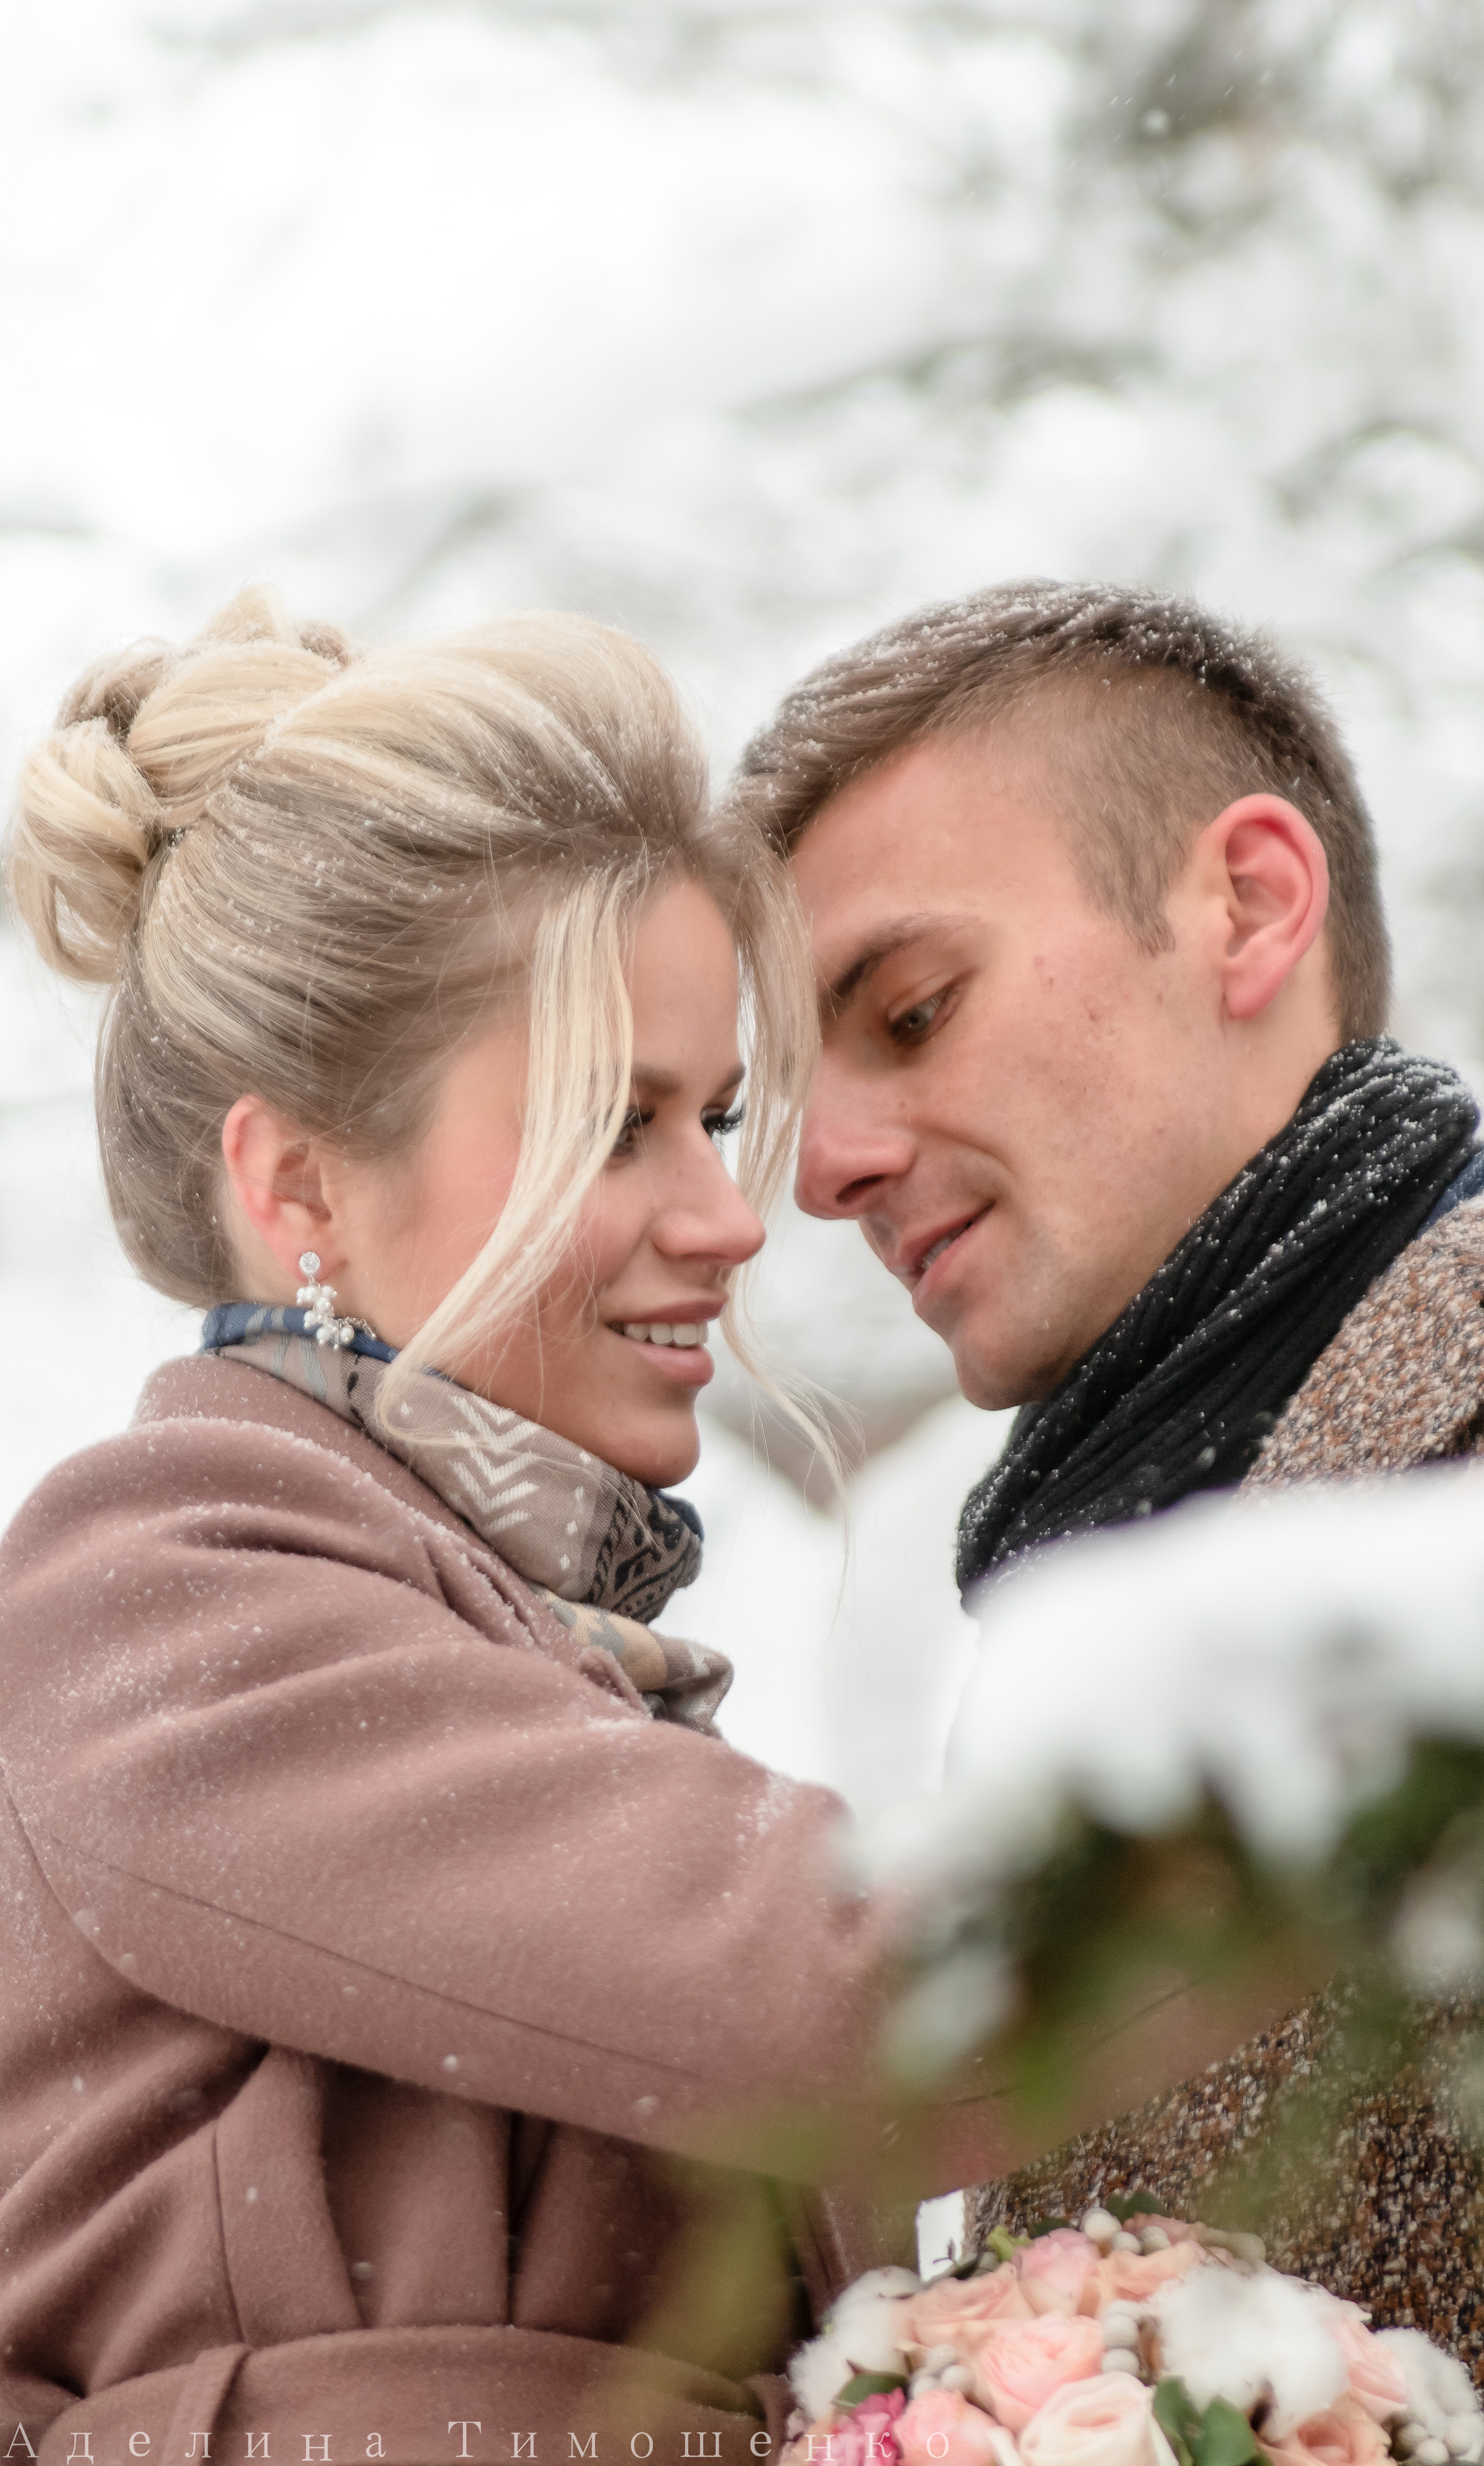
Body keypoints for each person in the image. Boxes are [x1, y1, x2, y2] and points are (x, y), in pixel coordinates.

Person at [0, 591, 1126, 2463]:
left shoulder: (522, 1661)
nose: (730, 1215)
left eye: (720, 1117)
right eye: (617, 1127)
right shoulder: (155, 1592)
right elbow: (860, 1995)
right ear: (298, 1186)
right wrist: (1428, 1778)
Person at [731, 579, 1484, 2464]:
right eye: (794, 1101)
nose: (825, 1170)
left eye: (910, 1008)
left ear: (1247, 906)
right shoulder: (1059, 1617)